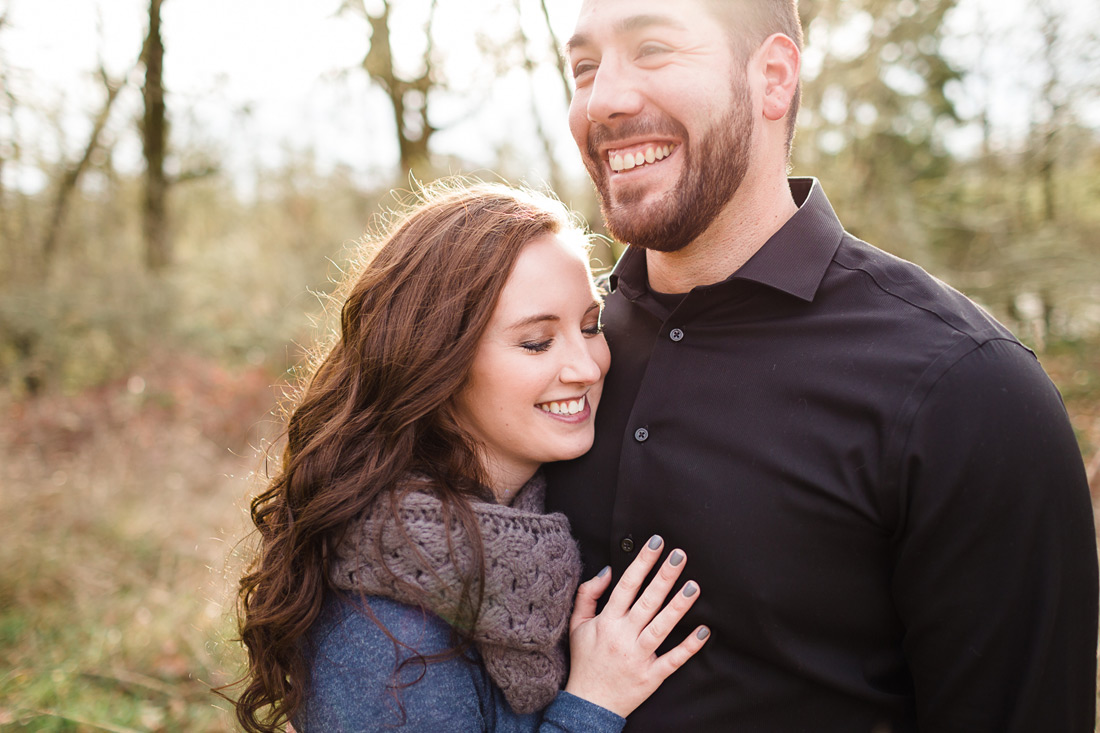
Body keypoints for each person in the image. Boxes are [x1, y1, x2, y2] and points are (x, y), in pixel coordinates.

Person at [545, 0, 1099, 731]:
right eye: (585, 67)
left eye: (652, 49)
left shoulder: (968, 390)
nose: (604, 98)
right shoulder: (547, 368)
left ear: (773, 78)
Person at [232, 181, 711, 733]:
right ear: (439, 361)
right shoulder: (388, 638)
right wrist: (592, 704)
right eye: (536, 342)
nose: (587, 366)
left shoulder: (524, 528)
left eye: (590, 326)